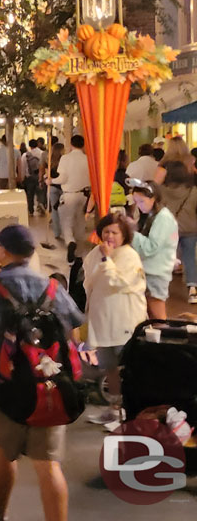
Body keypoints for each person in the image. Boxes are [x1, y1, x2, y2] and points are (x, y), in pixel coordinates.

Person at [0, 225, 83, 521]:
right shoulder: (53, 289)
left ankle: (0, 515)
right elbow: (74, 335)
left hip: (2, 389)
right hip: (49, 387)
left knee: (6, 452)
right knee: (49, 466)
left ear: (4, 251)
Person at [81, 214, 147, 426]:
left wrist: (106, 260)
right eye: (106, 231)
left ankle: (131, 413)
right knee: (109, 367)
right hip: (102, 320)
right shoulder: (96, 252)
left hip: (124, 321)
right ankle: (114, 408)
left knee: (126, 368)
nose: (109, 236)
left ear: (124, 235)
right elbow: (88, 280)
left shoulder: (129, 256)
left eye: (114, 232)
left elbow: (117, 282)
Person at [129, 180, 178, 320]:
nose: (138, 205)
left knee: (157, 316)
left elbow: (151, 247)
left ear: (153, 198)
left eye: (141, 201)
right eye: (136, 202)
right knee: (153, 315)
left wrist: (132, 233)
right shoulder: (155, 216)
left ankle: (161, 341)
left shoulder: (163, 218)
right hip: (153, 271)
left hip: (156, 273)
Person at [161, 160, 197, 305]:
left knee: (167, 258)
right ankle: (193, 290)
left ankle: (161, 289)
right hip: (190, 229)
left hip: (170, 229)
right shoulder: (193, 191)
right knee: (189, 258)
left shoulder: (162, 191)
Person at [49, 135, 89, 261]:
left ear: (71, 144)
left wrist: (51, 180)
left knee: (66, 222)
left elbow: (63, 178)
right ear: (83, 145)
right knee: (80, 222)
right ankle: (79, 251)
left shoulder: (65, 158)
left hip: (69, 194)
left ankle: (70, 242)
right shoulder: (88, 159)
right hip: (84, 195)